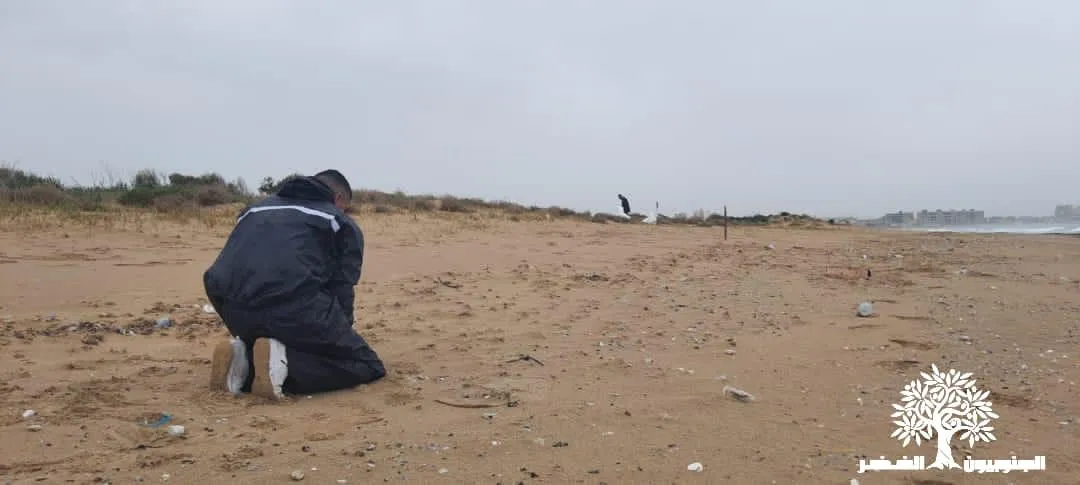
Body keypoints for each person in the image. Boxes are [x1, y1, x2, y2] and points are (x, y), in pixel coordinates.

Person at [204, 170, 386, 400]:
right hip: (292, 304)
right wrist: (340, 337)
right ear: (338, 198)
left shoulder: (253, 210)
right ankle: (266, 368)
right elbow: (342, 286)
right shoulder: (337, 221)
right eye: (345, 207)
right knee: (367, 365)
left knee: (281, 330)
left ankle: (242, 355)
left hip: (230, 305)